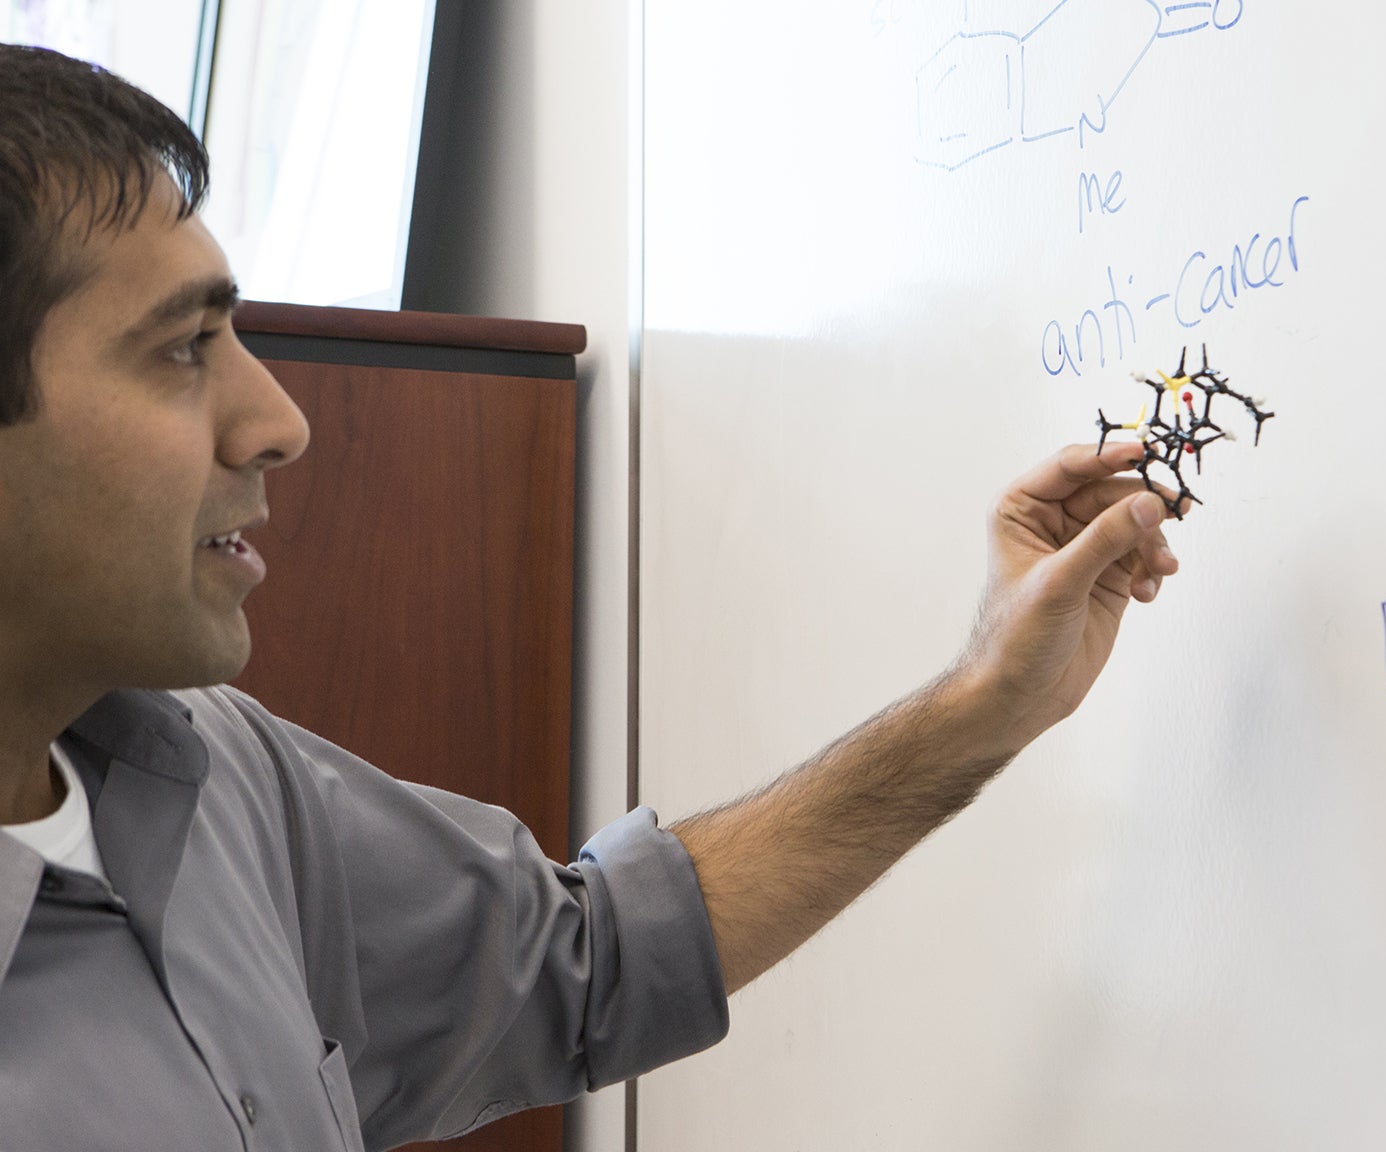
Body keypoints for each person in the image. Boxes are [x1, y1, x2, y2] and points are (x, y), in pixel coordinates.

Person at [0, 45, 1182, 1150]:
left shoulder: (208, 773)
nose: (280, 423)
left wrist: (982, 702)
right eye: (181, 348)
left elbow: (589, 959)